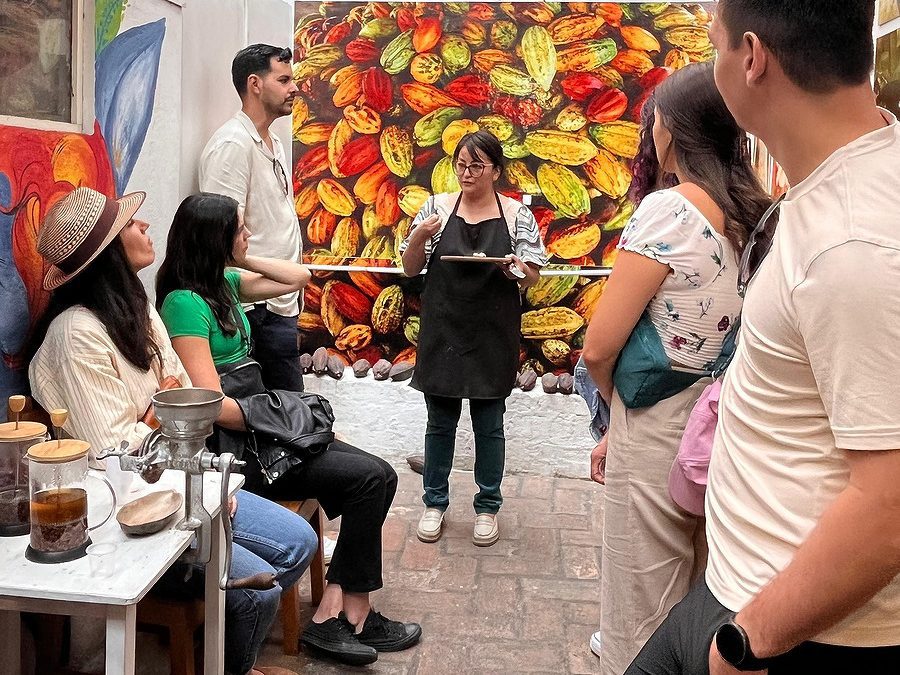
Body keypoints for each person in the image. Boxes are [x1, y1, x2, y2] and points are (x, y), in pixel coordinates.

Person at [627, 2, 900, 674]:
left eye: (714, 41)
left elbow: (890, 502)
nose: (711, 57)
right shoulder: (843, 186)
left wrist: (747, 639)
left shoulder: (853, 243)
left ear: (752, 57)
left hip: (790, 630)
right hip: (742, 590)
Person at [27, 186, 314, 675]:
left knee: (299, 542)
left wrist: (157, 416)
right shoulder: (76, 334)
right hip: (128, 516)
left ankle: (211, 655)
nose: (144, 227)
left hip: (184, 483)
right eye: (130, 226)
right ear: (107, 252)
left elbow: (188, 399)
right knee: (254, 596)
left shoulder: (136, 310)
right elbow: (116, 452)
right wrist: (161, 413)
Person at [155, 192, 422, 666]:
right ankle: (337, 619)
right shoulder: (183, 302)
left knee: (381, 475)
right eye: (240, 229)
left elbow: (298, 277)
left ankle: (346, 610)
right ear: (215, 239)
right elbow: (212, 405)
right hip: (237, 448)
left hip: (261, 427)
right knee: (369, 478)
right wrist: (279, 426)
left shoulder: (224, 283)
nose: (248, 234)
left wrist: (234, 256)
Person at [581, 62, 771, 675]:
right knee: (704, 582)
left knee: (641, 601)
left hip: (658, 419)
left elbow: (597, 346)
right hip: (726, 418)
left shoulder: (670, 211)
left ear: (672, 128)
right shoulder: (754, 212)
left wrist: (615, 413)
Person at [400, 130, 548, 547]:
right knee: (439, 424)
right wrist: (418, 238)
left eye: (476, 166)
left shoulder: (517, 215)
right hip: (444, 327)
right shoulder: (436, 210)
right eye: (461, 165)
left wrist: (515, 268)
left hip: (491, 331)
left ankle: (487, 507)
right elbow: (411, 269)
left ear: (496, 171)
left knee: (489, 425)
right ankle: (434, 503)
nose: (466, 173)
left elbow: (532, 275)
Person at [200, 44, 304, 392]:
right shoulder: (232, 144)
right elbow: (221, 236)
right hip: (255, 308)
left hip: (279, 301)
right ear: (255, 84)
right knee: (280, 418)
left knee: (291, 413)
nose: (294, 88)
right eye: (284, 80)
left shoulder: (272, 140)